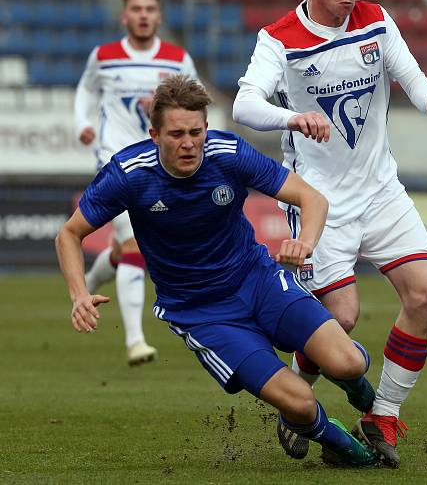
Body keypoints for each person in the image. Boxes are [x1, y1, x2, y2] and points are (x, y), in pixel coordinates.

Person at [55, 75, 377, 468]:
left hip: (257, 280)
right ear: (155, 134)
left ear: (207, 128)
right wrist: (78, 295)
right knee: (302, 403)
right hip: (201, 312)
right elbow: (70, 234)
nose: (188, 143)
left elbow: (312, 199)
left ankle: (355, 385)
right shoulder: (129, 173)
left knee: (349, 362)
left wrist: (305, 243)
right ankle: (339, 444)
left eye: (196, 131)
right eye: (176, 134)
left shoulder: (230, 154)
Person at [232, 0, 427, 468]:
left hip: (380, 188)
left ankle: (381, 414)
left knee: (425, 294)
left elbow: (414, 78)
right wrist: (292, 116)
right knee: (344, 316)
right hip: (318, 199)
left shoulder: (377, 22)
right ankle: (295, 398)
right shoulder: (280, 38)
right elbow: (244, 105)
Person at [74, 0, 197, 366]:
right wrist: (83, 122)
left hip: (157, 162)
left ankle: (94, 278)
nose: (143, 15)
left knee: (124, 248)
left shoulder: (178, 59)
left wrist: (161, 104)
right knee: (134, 246)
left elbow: (194, 101)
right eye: (136, 9)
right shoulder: (105, 56)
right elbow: (86, 91)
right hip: (114, 159)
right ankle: (135, 341)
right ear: (124, 15)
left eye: (149, 10)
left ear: (159, 16)